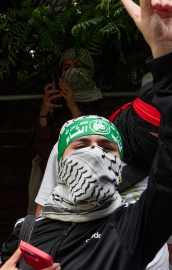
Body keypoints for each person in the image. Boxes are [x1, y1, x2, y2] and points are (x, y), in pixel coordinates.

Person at [0, 0, 172, 268]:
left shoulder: (130, 231)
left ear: (119, 168)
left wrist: (168, 56)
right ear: (59, 163)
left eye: (106, 147)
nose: (94, 153)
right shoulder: (26, 234)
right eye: (81, 145)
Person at [28, 47, 117, 214]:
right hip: (57, 187)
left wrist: (73, 106)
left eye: (78, 66)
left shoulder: (104, 106)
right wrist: (44, 113)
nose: (73, 72)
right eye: (66, 67)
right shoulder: (56, 106)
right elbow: (45, 151)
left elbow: (99, 153)